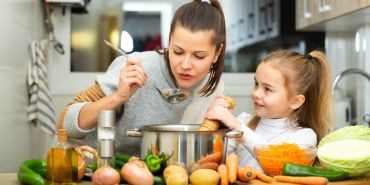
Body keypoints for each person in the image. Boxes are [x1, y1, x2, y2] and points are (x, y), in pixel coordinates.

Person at [57, 0, 226, 155]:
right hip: (84, 167)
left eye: (199, 56)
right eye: (178, 52)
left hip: (143, 172)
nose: (186, 64)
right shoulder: (135, 66)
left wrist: (222, 122)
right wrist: (118, 97)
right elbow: (64, 125)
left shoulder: (213, 88)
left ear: (217, 53)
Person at [205, 50, 333, 170]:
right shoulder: (244, 121)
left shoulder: (304, 136)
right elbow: (210, 158)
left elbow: (282, 166)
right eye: (256, 84)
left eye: (267, 89)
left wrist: (238, 128)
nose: (256, 93)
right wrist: (216, 126)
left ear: (295, 101)